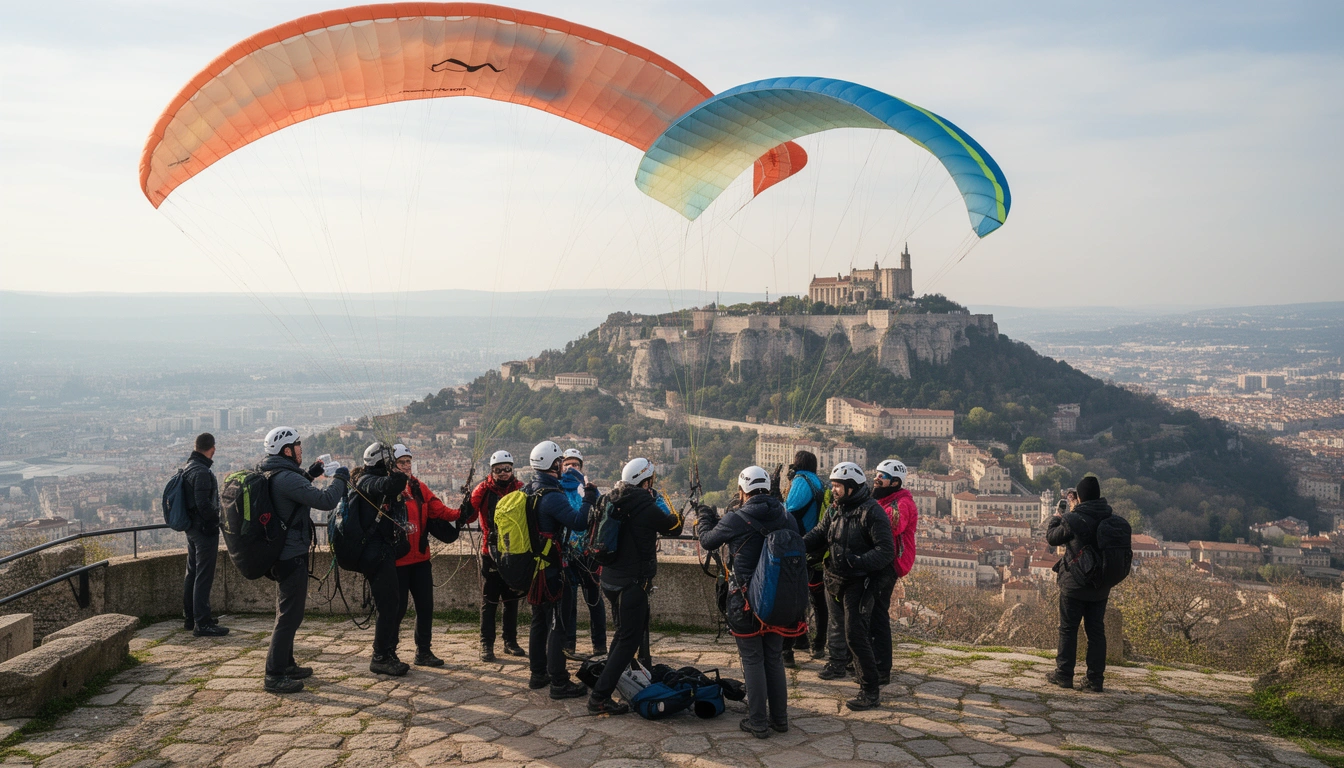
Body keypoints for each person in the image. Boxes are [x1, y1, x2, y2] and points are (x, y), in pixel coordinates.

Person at [695, 465, 798, 737]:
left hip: (745, 600)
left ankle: (758, 722)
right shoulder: (787, 516)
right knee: (773, 658)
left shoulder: (738, 518)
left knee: (752, 659)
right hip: (778, 600)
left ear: (743, 491)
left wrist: (705, 516)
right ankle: (780, 719)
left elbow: (707, 541)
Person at [587, 457, 685, 715]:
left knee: (622, 635)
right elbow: (673, 527)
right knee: (629, 641)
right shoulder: (646, 505)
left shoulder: (611, 498)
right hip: (633, 583)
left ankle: (614, 683)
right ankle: (599, 697)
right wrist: (678, 511)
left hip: (609, 578)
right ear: (646, 481)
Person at [258, 426, 348, 694]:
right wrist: (340, 477)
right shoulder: (286, 477)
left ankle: (287, 664)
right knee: (289, 617)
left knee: (285, 613)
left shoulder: (272, 471)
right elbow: (327, 500)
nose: (300, 449)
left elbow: (291, 496)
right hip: (290, 555)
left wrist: (310, 474)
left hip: (279, 554)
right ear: (287, 450)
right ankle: (273, 674)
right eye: (297, 445)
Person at [803, 462, 896, 711]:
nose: (833, 490)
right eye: (833, 485)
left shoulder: (871, 512)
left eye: (837, 486)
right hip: (835, 577)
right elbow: (820, 534)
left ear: (852, 488)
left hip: (860, 580)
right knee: (840, 628)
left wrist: (858, 561)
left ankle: (870, 690)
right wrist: (795, 546)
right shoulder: (835, 510)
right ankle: (841, 666)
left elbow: (886, 551)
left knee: (856, 633)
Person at [523, 440, 596, 699]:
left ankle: (537, 673)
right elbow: (579, 522)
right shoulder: (552, 497)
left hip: (535, 567)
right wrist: (589, 498)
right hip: (553, 569)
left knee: (539, 621)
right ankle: (558, 681)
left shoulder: (530, 489)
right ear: (554, 464)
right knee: (557, 623)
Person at [392, 443, 469, 668]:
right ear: (393, 465)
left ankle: (423, 651)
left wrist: (462, 513)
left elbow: (438, 509)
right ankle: (389, 651)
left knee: (425, 606)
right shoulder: (388, 489)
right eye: (401, 463)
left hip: (421, 559)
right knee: (397, 609)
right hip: (398, 560)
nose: (406, 466)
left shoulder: (419, 487)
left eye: (408, 462)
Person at [350, 442, 413, 677]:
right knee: (388, 605)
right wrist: (396, 472)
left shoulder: (368, 478)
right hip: (375, 554)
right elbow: (390, 484)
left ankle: (387, 651)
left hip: (380, 551)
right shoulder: (367, 480)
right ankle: (380, 657)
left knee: (392, 604)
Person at [1047, 476, 1114, 693]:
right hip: (1100, 586)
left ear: (1080, 497)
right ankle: (1095, 679)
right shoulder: (1110, 518)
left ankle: (1064, 674)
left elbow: (1052, 538)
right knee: (1096, 632)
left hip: (1074, 583)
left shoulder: (1074, 519)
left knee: (1068, 629)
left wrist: (1059, 516)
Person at [471, 450, 524, 662]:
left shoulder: (520, 489)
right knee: (490, 600)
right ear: (491, 471)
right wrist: (467, 501)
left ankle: (510, 641)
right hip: (490, 552)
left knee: (511, 599)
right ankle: (487, 643)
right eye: (498, 470)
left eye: (507, 469)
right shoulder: (483, 490)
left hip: (513, 552)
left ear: (512, 470)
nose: (503, 473)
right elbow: (470, 514)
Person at [870, 459, 917, 686]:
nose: (877, 478)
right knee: (870, 612)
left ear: (895, 482)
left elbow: (893, 525)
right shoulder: (886, 499)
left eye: (883, 476)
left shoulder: (902, 503)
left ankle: (881, 668)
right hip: (880, 560)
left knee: (878, 614)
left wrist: (870, 504)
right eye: (877, 474)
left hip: (891, 562)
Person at [559, 449, 607, 660]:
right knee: (568, 603)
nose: (571, 468)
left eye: (575, 465)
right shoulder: (557, 490)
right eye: (567, 464)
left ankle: (600, 644)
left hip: (588, 553)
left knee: (594, 599)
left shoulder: (588, 491)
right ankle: (569, 643)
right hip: (565, 554)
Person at [181, 432, 229, 637]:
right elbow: (203, 504)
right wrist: (217, 519)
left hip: (192, 528)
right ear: (213, 448)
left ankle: (191, 617)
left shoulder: (188, 467)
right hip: (203, 530)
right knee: (203, 575)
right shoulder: (201, 471)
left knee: (192, 573)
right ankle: (202, 623)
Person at [783, 450, 826, 663]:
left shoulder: (801, 481)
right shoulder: (820, 481)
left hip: (802, 543)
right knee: (818, 598)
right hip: (818, 545)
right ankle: (818, 643)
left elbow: (788, 510)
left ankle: (795, 641)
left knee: (794, 595)